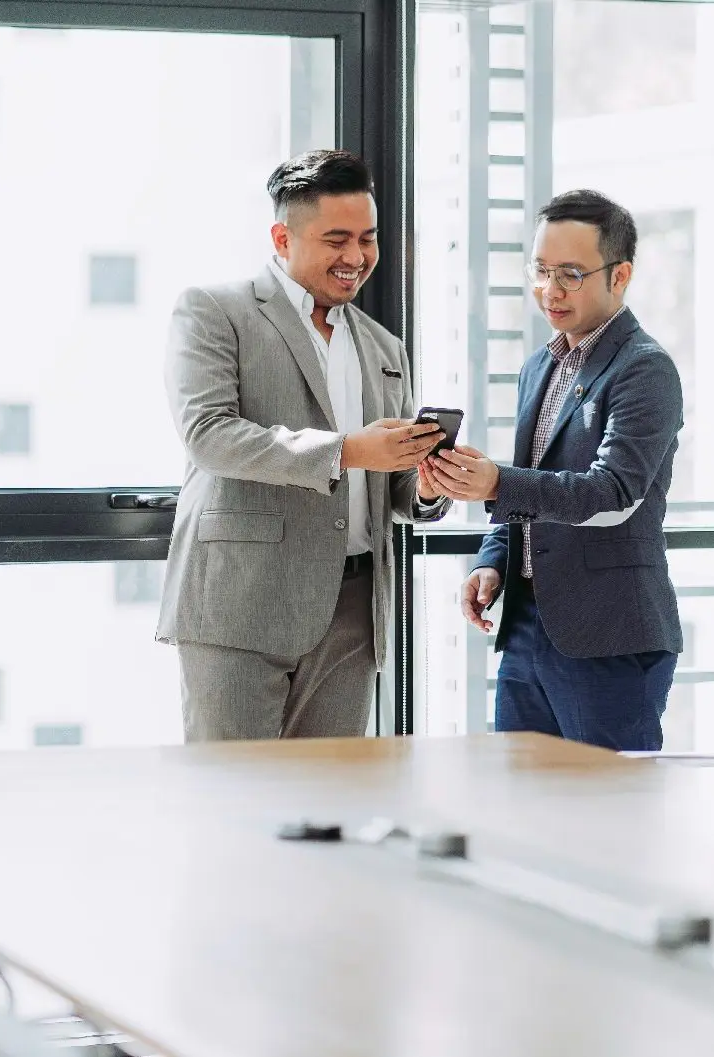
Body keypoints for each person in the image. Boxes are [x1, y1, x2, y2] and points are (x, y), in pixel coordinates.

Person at [155, 149, 451, 741]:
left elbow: (387, 486)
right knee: (233, 799)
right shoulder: (215, 311)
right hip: (241, 600)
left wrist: (424, 485)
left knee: (330, 804)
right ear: (282, 237)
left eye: (367, 239)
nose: (357, 257)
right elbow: (209, 436)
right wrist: (345, 450)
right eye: (336, 239)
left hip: (355, 609)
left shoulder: (385, 348)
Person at [425, 189, 684, 751]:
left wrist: (495, 482)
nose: (550, 290)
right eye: (541, 271)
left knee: (609, 821)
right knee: (525, 813)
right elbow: (531, 484)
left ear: (620, 276)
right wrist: (494, 561)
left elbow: (613, 493)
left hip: (609, 637)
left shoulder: (644, 369)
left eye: (570, 273)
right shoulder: (540, 365)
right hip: (526, 629)